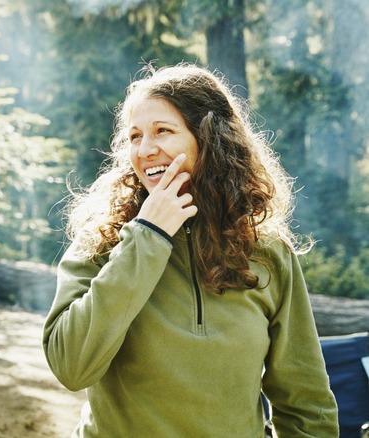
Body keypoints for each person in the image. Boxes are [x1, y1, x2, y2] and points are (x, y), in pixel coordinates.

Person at [42, 63, 339, 437]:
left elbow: (306, 402)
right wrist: (147, 236)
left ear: (210, 138)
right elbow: (71, 366)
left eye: (162, 131)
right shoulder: (102, 240)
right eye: (135, 136)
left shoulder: (266, 251)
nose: (146, 150)